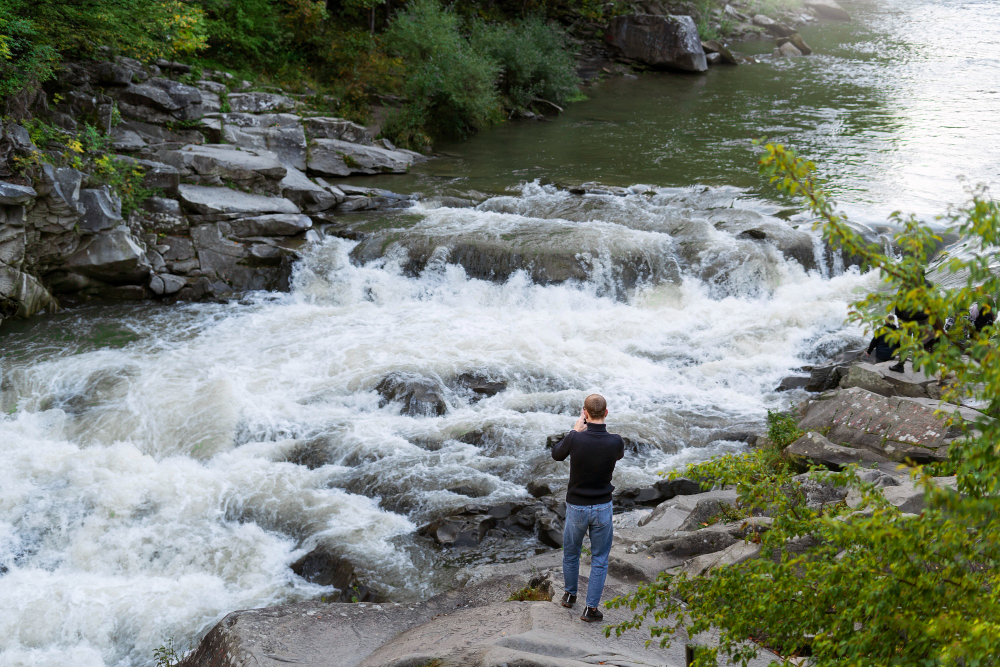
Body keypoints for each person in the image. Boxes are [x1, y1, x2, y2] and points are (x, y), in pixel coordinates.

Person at [551, 393, 625, 623]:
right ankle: (590, 609)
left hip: (577, 507)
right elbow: (618, 455)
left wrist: (574, 431)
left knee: (571, 553)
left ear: (584, 413)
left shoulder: (575, 439)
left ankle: (569, 595)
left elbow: (556, 454)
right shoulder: (616, 441)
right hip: (602, 506)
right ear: (606, 412)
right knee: (600, 559)